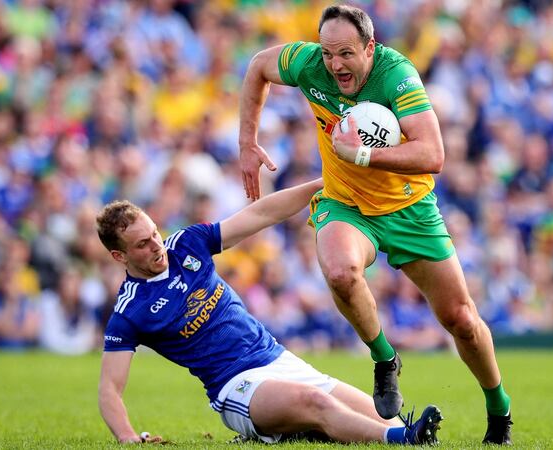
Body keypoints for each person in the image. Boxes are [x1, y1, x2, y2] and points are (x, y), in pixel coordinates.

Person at [239, 4, 512, 444]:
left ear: (370, 47)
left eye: (345, 53)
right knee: (341, 272)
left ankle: (499, 409)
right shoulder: (309, 64)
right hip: (345, 203)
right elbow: (257, 67)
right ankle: (385, 359)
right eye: (328, 53)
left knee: (460, 319)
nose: (335, 64)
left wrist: (363, 155)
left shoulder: (397, 76)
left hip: (409, 209)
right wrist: (247, 141)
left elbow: (433, 155)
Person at [95, 179, 443, 445]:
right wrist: (127, 437)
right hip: (236, 386)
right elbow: (109, 388)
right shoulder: (131, 311)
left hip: (278, 359)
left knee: (385, 416)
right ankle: (403, 440)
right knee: (318, 404)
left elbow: (262, 213)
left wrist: (327, 182)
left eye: (155, 233)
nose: (157, 245)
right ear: (119, 256)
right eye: (143, 244)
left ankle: (382, 433)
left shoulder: (187, 244)